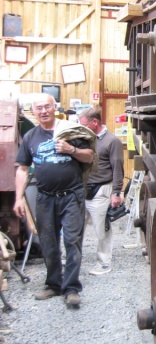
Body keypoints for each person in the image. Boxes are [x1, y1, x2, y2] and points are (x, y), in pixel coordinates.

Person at [13, 93, 95, 307]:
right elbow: (22, 169)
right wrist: (18, 198)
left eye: (47, 107)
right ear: (34, 110)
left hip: (72, 196)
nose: (43, 111)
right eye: (38, 108)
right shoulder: (31, 137)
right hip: (45, 198)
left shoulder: (70, 130)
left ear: (54, 107)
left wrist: (72, 149)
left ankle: (71, 288)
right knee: (48, 243)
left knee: (72, 242)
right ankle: (53, 284)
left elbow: (89, 156)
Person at [78, 107, 124, 275]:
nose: (80, 127)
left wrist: (116, 192)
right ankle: (73, 260)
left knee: (101, 229)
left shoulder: (113, 141)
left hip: (102, 189)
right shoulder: (86, 139)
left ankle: (104, 263)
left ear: (95, 122)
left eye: (83, 124)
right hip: (83, 188)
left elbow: (117, 167)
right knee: (76, 226)